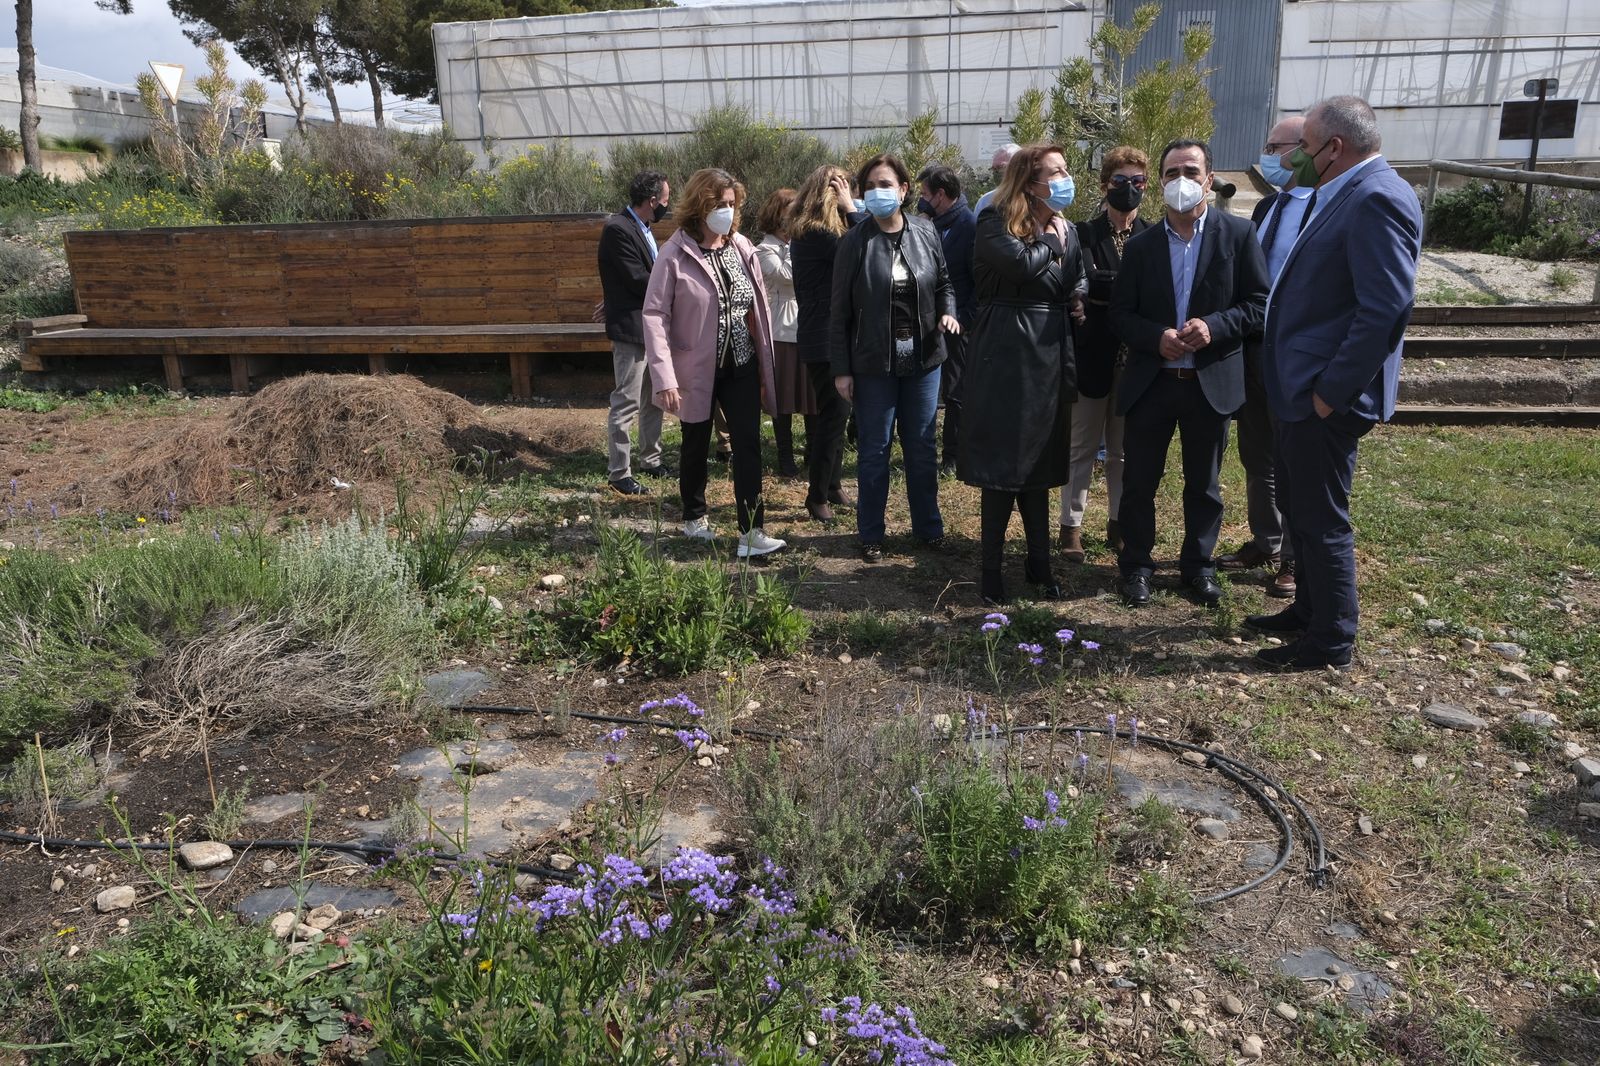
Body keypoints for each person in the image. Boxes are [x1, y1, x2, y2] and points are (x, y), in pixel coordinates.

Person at [1251, 96, 1421, 671]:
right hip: (1300, 386)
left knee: (1322, 518)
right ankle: (1308, 611)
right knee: (1299, 506)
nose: (1295, 155)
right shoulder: (1343, 191)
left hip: (1324, 394)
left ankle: (1330, 641)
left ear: (1334, 148)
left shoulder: (1376, 197)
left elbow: (1385, 310)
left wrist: (1331, 392)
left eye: (1304, 145)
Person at [1110, 138, 1270, 608]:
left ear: (1209, 178)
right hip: (1153, 382)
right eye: (1172, 172)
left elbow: (1259, 305)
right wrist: (1153, 336)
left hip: (1210, 382)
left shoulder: (1238, 237)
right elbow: (1120, 314)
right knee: (1140, 481)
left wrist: (1215, 326)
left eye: (1190, 172)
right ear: (1160, 182)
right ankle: (1136, 565)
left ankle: (1197, 567)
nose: (1181, 181)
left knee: (1205, 485)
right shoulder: (1140, 247)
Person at [960, 143, 1087, 604]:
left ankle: (1040, 563)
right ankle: (990, 569)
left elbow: (1075, 275)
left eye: (1065, 169)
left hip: (1051, 350)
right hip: (1005, 349)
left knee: (1039, 464)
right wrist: (1052, 240)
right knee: (1003, 467)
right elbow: (1019, 263)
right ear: (1028, 181)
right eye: (1054, 172)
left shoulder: (1065, 226)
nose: (1064, 178)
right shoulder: (994, 219)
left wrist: (1079, 294)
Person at [643, 168, 786, 558]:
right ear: (699, 205)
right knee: (695, 441)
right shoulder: (675, 252)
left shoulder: (740, 246)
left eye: (731, 204)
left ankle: (751, 531)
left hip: (740, 361)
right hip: (695, 365)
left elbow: (757, 304)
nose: (726, 211)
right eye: (718, 204)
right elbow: (654, 315)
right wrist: (664, 376)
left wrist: (764, 363)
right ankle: (693, 516)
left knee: (748, 443)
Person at [829, 153, 960, 562]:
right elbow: (839, 313)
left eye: (885, 185)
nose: (877, 192)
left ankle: (928, 529)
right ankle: (871, 533)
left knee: (921, 446)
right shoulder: (854, 242)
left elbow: (944, 283)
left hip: (923, 360)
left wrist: (947, 311)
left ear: (904, 190)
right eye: (869, 186)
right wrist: (842, 370)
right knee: (874, 449)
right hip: (873, 364)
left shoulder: (926, 231)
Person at [1216, 114, 1309, 599]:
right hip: (1256, 344)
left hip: (1295, 351)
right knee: (1257, 452)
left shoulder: (1325, 208)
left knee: (1293, 456)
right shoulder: (1270, 207)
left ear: (1306, 147)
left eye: (1278, 146)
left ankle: (1295, 555)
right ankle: (1266, 539)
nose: (1269, 155)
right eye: (1267, 145)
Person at [1060, 146, 1151, 563]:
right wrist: (1112, 291)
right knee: (1081, 446)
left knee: (1122, 449)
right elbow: (1078, 284)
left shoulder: (1154, 235)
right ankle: (1070, 528)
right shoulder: (1083, 234)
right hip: (1092, 355)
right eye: (1119, 181)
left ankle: (1117, 523)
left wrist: (1103, 289)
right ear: (1104, 185)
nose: (1128, 189)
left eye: (1137, 182)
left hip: (1136, 360)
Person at [789, 165, 863, 523]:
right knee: (832, 416)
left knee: (838, 414)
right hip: (823, 338)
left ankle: (832, 486)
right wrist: (853, 209)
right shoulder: (816, 234)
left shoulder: (816, 233)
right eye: (842, 188)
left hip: (829, 335)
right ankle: (816, 495)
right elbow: (863, 245)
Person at [598, 170, 672, 496]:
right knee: (626, 402)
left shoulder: (642, 227)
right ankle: (619, 473)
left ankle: (651, 459)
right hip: (631, 329)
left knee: (654, 398)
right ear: (652, 200)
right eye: (665, 201)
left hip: (650, 328)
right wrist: (676, 281)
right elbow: (638, 279)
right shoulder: (618, 229)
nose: (667, 207)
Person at [917, 164, 977, 474]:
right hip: (927, 321)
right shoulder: (932, 224)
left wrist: (963, 319)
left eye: (926, 194)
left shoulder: (968, 227)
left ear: (941, 195)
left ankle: (953, 455)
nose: (922, 199)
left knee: (956, 392)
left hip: (958, 324)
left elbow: (976, 282)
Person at [753, 187, 813, 478]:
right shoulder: (764, 250)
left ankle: (813, 454)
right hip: (781, 331)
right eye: (793, 212)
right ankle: (785, 457)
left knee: (811, 396)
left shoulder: (796, 245)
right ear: (778, 216)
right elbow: (788, 277)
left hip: (807, 327)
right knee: (785, 399)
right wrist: (798, 245)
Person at [973, 143, 1020, 214]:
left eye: (1001, 167)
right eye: (993, 169)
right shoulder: (985, 202)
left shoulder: (1035, 199)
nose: (996, 172)